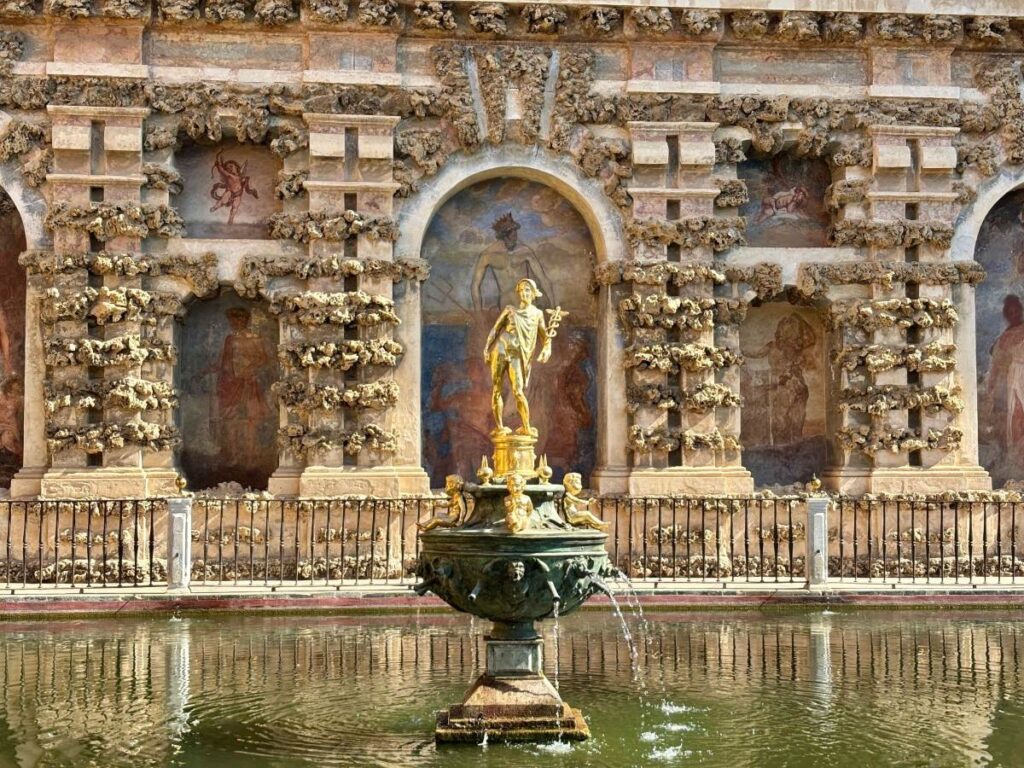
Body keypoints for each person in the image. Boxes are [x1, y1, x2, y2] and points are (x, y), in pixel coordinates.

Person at [483, 278, 554, 436]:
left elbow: (545, 337)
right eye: (521, 290)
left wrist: (546, 349)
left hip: (516, 354)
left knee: (518, 391)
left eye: (527, 290)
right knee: (496, 389)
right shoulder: (510, 310)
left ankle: (526, 427)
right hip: (500, 349)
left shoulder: (537, 314)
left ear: (534, 293)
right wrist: (486, 348)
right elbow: (495, 330)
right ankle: (500, 427)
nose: (524, 293)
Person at [212, 307, 272, 471]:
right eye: (232, 320)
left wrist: (251, 368)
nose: (235, 323)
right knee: (230, 420)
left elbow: (264, 359)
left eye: (238, 319)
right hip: (231, 384)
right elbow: (224, 362)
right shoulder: (230, 339)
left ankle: (251, 457)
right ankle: (233, 455)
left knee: (252, 419)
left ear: (245, 320)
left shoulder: (255, 338)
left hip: (250, 383)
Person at [471, 212, 554, 310]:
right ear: (503, 235)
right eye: (511, 231)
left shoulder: (524, 251)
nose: (515, 234)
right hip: (507, 305)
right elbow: (475, 285)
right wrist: (479, 314)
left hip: (527, 304)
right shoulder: (488, 255)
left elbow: (543, 279)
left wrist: (553, 307)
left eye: (515, 231)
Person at [985, 295, 1024, 455]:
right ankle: (1016, 453)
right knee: (1015, 414)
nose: (1014, 315)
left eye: (1017, 311)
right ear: (1006, 314)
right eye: (1010, 312)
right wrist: (991, 388)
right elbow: (996, 364)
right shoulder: (1003, 337)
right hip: (1014, 377)